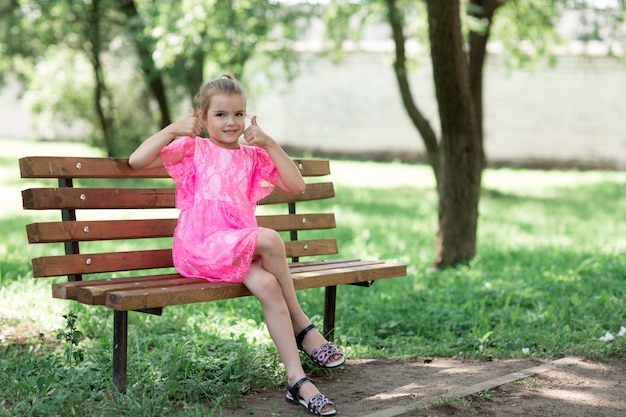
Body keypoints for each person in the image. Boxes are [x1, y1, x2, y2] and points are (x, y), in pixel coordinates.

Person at [128, 75, 344, 416]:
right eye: (220, 115)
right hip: (200, 246)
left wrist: (270, 144)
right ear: (203, 117)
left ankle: (296, 380)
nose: (231, 122)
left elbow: (296, 185)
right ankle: (303, 326)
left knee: (269, 285)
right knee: (270, 237)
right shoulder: (193, 149)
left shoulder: (252, 156)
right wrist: (174, 129)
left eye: (238, 114)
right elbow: (137, 161)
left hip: (237, 246)